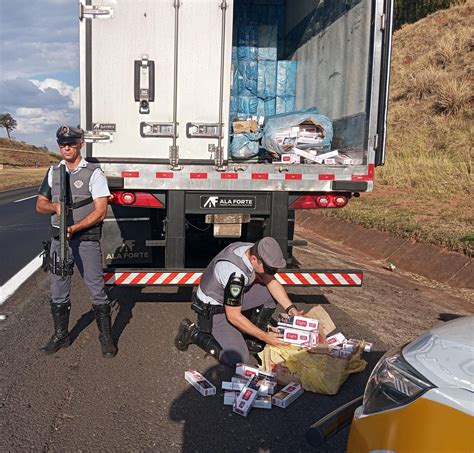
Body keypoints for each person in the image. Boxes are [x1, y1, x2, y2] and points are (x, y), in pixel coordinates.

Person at [36, 125, 117, 358]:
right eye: (62, 144)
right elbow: (40, 204)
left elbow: (101, 211)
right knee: (58, 290)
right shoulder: (54, 172)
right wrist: (54, 206)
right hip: (58, 241)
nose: (66, 148)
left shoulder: (94, 173)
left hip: (85, 240)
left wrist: (74, 228)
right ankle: (61, 335)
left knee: (96, 289)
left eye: (70, 143)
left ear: (80, 143)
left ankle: (106, 338)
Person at [175, 237, 304, 366]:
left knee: (269, 294)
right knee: (238, 358)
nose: (271, 273)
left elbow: (271, 282)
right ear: (254, 259)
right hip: (214, 308)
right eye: (269, 269)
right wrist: (265, 336)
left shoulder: (253, 250)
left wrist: (291, 308)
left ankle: (251, 339)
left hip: (231, 298)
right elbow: (233, 316)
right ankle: (192, 333)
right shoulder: (235, 274)